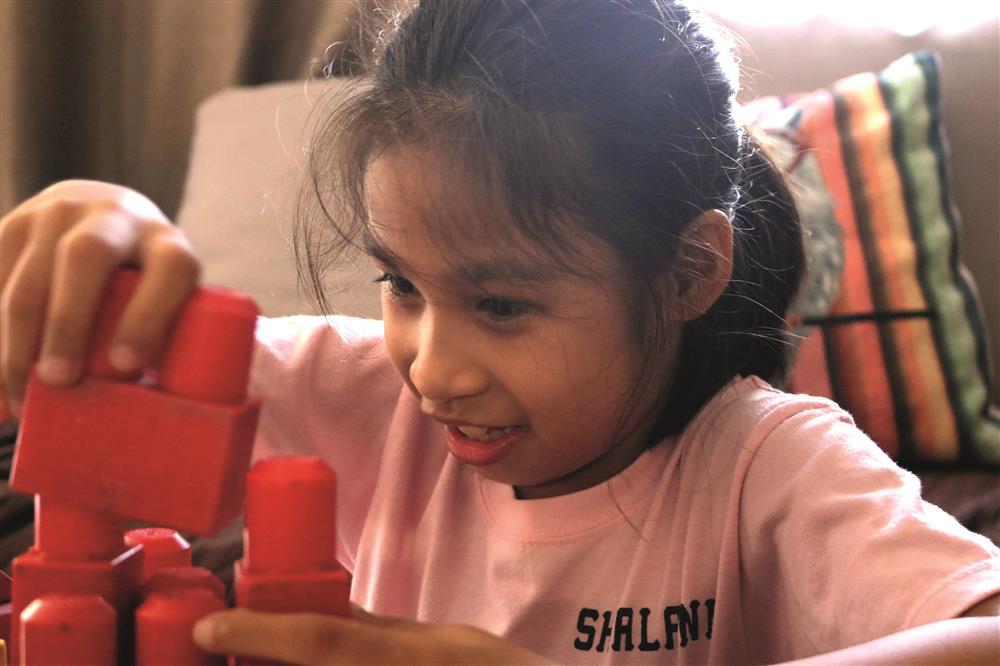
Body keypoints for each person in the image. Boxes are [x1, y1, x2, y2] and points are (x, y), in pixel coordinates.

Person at [1, 1, 997, 663]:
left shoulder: (764, 466)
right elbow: (90, 369)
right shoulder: (362, 395)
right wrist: (98, 220)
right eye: (400, 285)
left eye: (502, 306)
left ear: (689, 272)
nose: (432, 369)